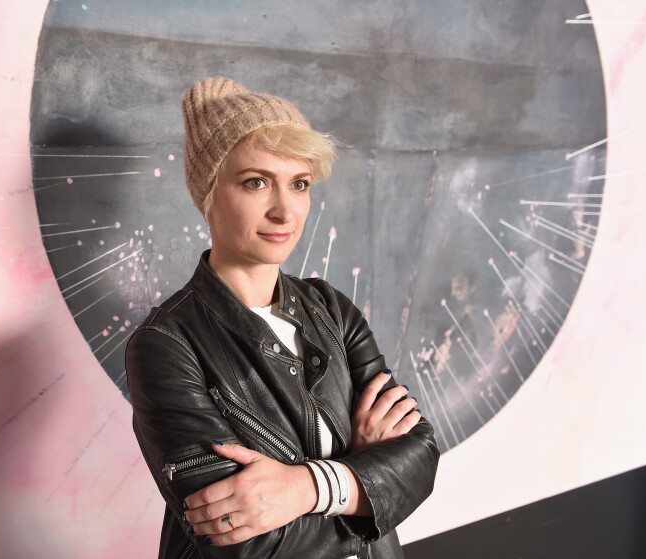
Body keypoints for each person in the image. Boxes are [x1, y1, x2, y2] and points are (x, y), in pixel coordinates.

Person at [126, 77, 439, 559]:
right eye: (256, 182)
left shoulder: (331, 309)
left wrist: (302, 489)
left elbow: (419, 458)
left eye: (299, 184)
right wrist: (362, 478)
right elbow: (242, 540)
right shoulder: (165, 344)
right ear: (209, 194)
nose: (285, 211)